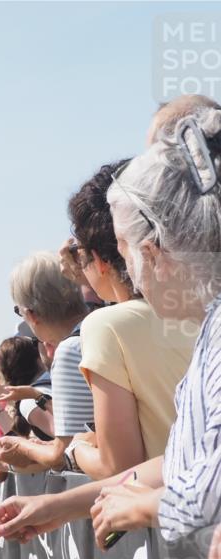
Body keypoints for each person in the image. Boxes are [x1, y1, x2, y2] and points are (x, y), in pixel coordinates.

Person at [0, 107, 221, 559]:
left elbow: (205, 495)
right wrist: (58, 507)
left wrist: (142, 507)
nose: (126, 270)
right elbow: (180, 465)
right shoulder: (207, 330)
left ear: (153, 253)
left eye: (127, 250)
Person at [66, 160, 197, 479]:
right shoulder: (202, 308)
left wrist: (76, 450)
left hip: (166, 521)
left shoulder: (106, 326)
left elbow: (120, 467)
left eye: (77, 251)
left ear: (98, 258)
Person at [0, 253, 94, 473]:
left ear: (31, 315)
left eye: (18, 311)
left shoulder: (70, 351)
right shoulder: (109, 326)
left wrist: (21, 445)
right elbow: (92, 436)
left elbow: (63, 455)